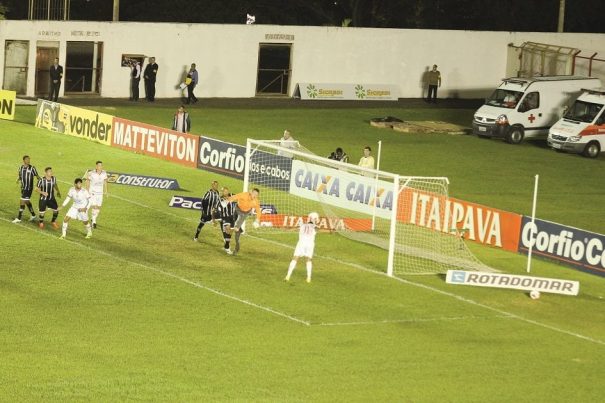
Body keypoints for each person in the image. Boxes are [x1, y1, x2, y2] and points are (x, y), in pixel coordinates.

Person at [224, 188, 262, 255]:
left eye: (256, 195)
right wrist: (228, 200)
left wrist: (257, 219)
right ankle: (237, 230)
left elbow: (258, 211)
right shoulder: (244, 195)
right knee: (231, 223)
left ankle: (236, 247)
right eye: (254, 193)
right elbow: (235, 197)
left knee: (236, 229)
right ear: (251, 192)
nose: (254, 195)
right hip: (237, 209)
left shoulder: (256, 201)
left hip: (245, 213)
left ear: (257, 196)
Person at [285, 212, 319, 283]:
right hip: (310, 245)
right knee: (308, 260)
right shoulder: (315, 227)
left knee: (295, 258)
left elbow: (294, 229)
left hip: (301, 243)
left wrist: (287, 229)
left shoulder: (302, 225)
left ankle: (288, 276)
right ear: (315, 219)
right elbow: (324, 230)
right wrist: (332, 230)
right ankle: (308, 278)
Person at [12, 155, 41, 223]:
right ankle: (33, 215)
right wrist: (18, 179)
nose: (28, 160)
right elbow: (20, 176)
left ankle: (19, 218)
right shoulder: (21, 167)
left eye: (29, 159)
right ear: (24, 160)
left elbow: (37, 176)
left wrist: (42, 182)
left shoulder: (32, 168)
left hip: (28, 188)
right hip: (23, 188)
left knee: (22, 201)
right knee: (26, 201)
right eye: (27, 159)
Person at [85, 161, 108, 229]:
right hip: (93, 193)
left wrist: (106, 191)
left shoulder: (104, 173)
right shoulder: (91, 173)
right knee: (94, 206)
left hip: (100, 193)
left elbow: (105, 182)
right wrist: (87, 191)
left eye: (101, 166)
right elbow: (87, 181)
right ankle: (94, 222)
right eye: (99, 166)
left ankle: (93, 218)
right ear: (96, 166)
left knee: (98, 208)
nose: (100, 167)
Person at [216, 186, 237, 254]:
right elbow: (223, 205)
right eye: (223, 191)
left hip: (232, 216)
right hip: (225, 217)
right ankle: (227, 248)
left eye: (226, 191)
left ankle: (226, 245)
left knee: (230, 232)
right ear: (222, 192)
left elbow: (238, 198)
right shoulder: (220, 199)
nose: (225, 192)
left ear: (228, 191)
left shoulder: (232, 195)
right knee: (227, 230)